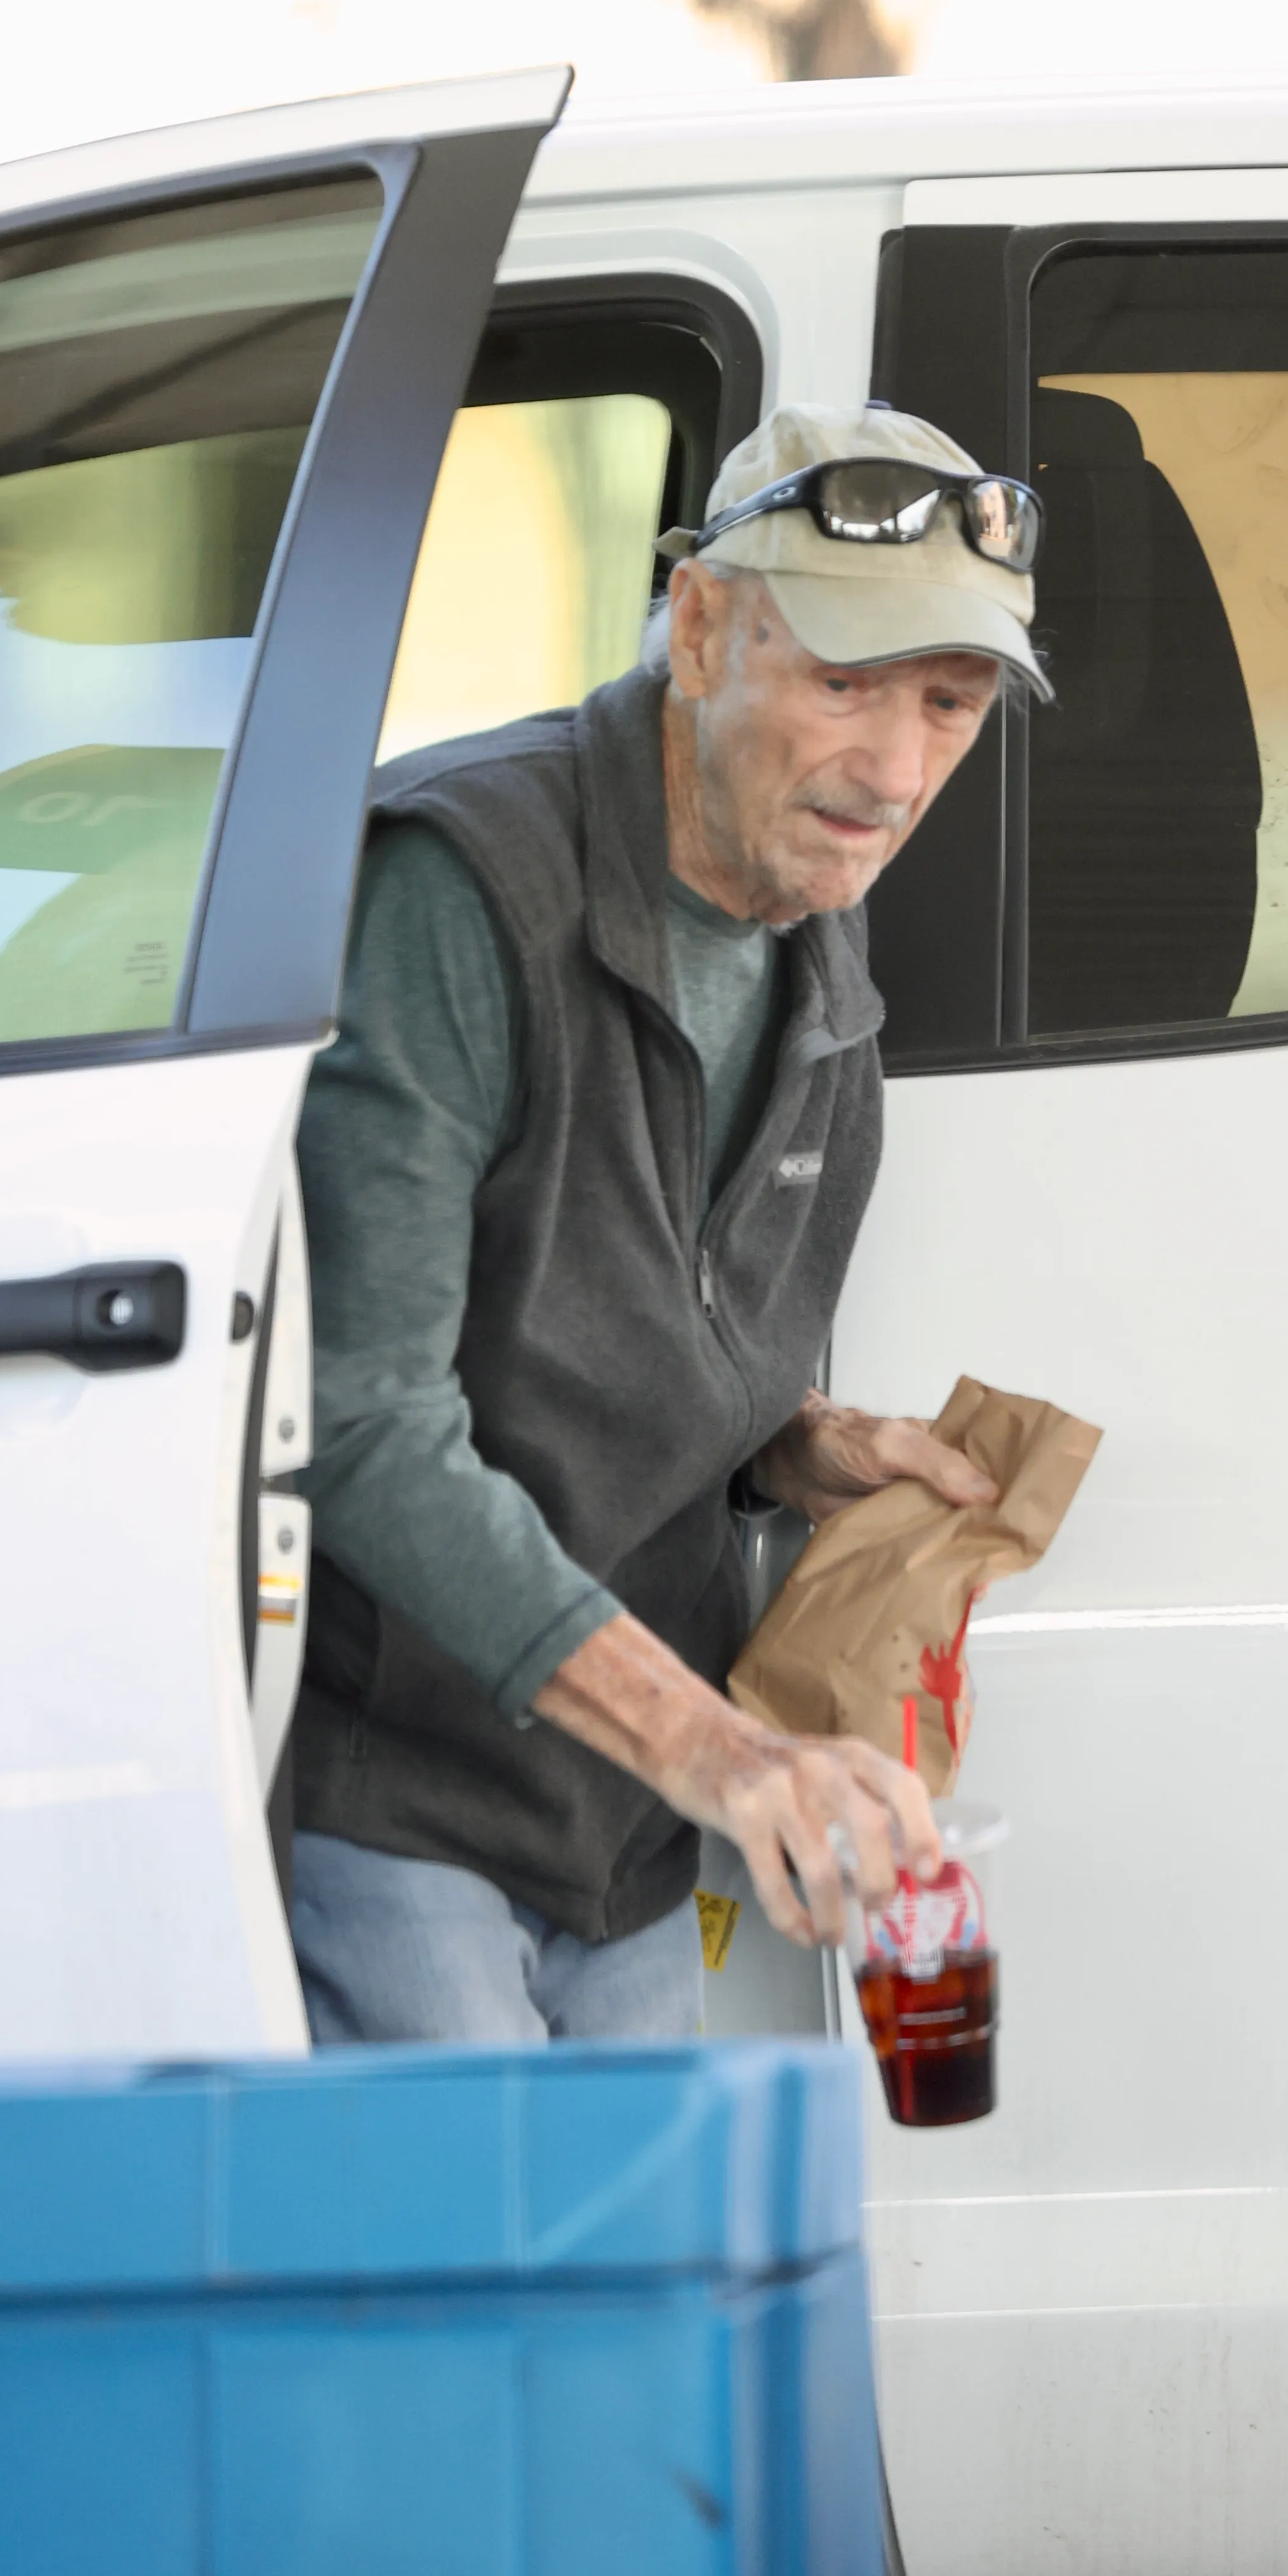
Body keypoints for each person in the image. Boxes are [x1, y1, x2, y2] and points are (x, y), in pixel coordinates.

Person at [287, 401, 1051, 2045]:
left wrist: (795, 1443)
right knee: (482, 2287)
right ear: (699, 629)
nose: (897, 773)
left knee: (661, 2291)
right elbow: (360, 1422)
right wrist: (726, 1752)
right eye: (844, 682)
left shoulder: (814, 948)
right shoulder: (463, 885)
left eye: (949, 702)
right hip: (414, 1797)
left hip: (635, 1838)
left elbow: (613, 1324)